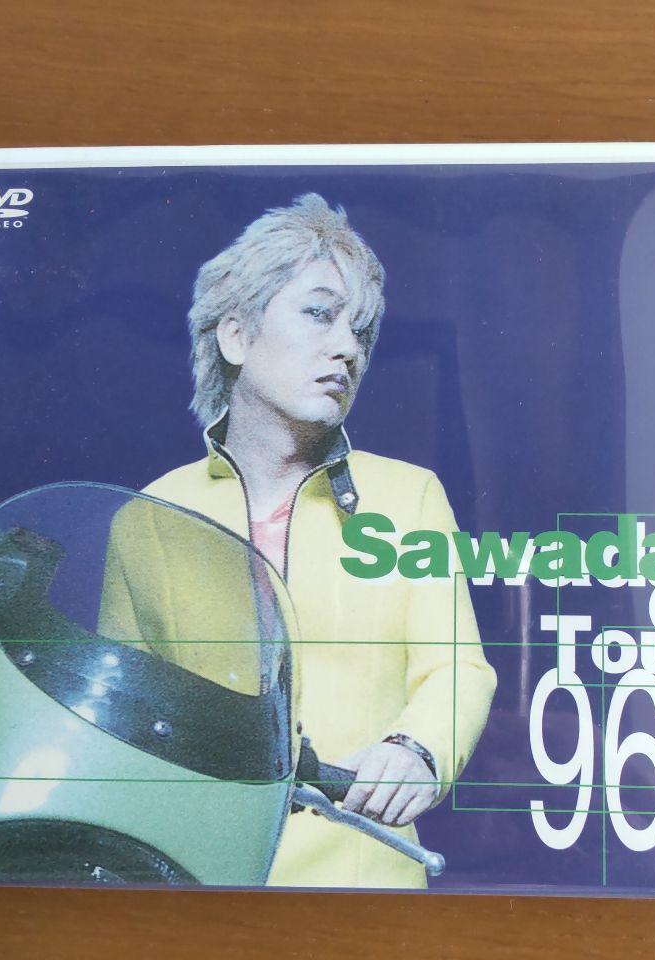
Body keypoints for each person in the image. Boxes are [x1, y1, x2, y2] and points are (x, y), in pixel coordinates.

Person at [99, 194, 496, 888]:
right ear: (236, 337)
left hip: (364, 881)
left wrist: (418, 750)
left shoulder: (410, 496)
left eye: (360, 331)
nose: (347, 347)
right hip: (195, 885)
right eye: (319, 313)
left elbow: (458, 669)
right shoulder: (150, 514)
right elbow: (123, 715)